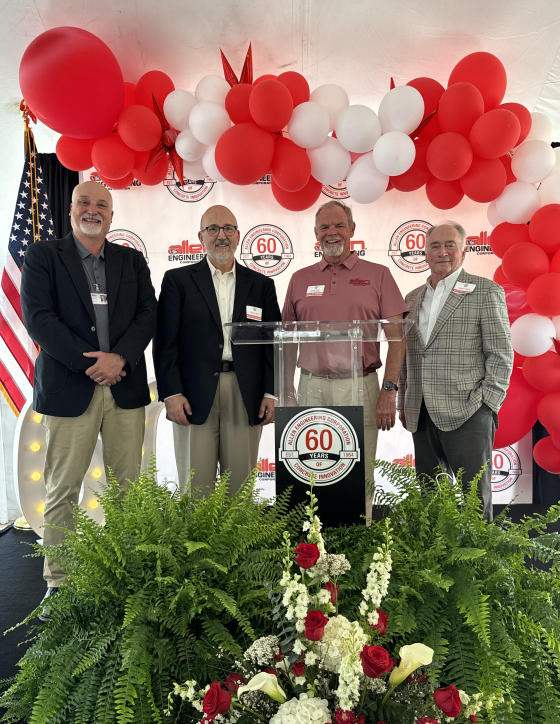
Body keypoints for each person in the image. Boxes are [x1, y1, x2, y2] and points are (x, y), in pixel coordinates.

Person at [21, 180, 157, 611]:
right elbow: (39, 318)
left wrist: (119, 359)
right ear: (71, 210)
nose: (92, 209)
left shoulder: (131, 260)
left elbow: (147, 314)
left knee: (127, 490)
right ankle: (59, 582)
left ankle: (127, 575)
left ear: (112, 216)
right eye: (84, 201)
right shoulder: (44, 256)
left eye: (102, 203)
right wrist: (91, 364)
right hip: (69, 387)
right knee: (63, 488)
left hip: (124, 386)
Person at [282, 200, 409, 518]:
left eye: (338, 225)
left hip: (361, 385)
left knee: (360, 476)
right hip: (311, 387)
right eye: (324, 227)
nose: (332, 232)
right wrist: (286, 388)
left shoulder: (378, 276)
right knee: (311, 475)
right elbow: (285, 341)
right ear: (315, 234)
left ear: (352, 229)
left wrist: (389, 390)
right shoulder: (299, 279)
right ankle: (313, 554)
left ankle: (357, 552)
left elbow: (398, 337)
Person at [154, 204, 281, 496]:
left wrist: (270, 393)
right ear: (201, 236)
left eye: (228, 229)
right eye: (213, 229)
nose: (220, 235)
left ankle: (236, 543)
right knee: (195, 486)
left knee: (240, 487)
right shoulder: (178, 281)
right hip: (192, 394)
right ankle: (196, 543)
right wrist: (171, 393)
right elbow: (165, 342)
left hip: (245, 391)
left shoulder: (261, 285)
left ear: (238, 236)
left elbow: (272, 342)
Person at [398, 220, 513, 521]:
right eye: (435, 245)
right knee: (430, 500)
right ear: (425, 253)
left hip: (469, 411)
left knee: (475, 501)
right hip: (421, 413)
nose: (442, 252)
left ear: (464, 251)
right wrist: (403, 403)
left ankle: (479, 566)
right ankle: (436, 565)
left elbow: (501, 354)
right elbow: (406, 356)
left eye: (450, 245)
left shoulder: (486, 291)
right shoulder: (411, 299)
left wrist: (487, 404)